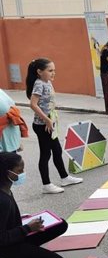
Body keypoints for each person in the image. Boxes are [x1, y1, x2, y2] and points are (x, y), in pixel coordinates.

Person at [0, 152, 68, 258]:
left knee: (61, 224)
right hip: (6, 249)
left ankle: (27, 253)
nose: (23, 173)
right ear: (8, 172)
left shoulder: (6, 189)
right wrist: (27, 228)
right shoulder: (2, 201)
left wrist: (27, 224)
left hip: (16, 237)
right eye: (19, 171)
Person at [25, 58, 82, 194]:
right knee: (46, 154)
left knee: (57, 150)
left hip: (50, 123)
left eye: (54, 70)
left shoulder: (47, 82)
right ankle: (46, 185)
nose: (53, 73)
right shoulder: (39, 84)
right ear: (39, 72)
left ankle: (64, 177)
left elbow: (47, 102)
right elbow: (33, 104)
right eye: (50, 71)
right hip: (43, 125)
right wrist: (46, 120)